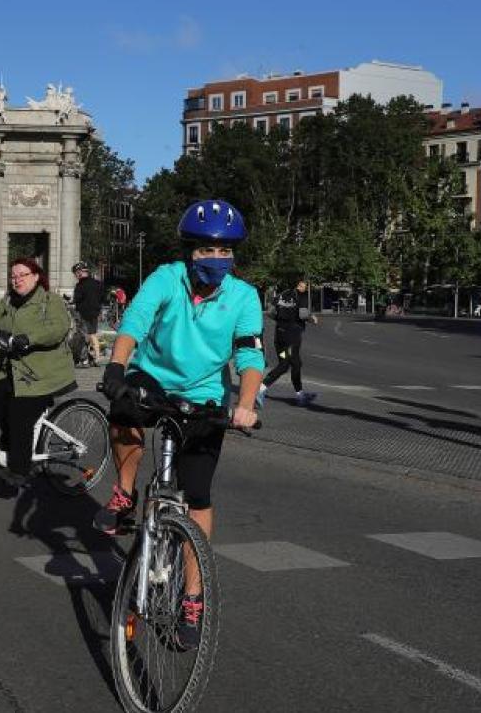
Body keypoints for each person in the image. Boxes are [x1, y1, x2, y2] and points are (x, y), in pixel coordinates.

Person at [96, 199, 263, 650]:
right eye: (206, 251)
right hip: (153, 378)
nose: (216, 260)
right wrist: (117, 365)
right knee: (124, 411)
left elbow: (249, 353)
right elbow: (136, 319)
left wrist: (246, 404)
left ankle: (193, 595)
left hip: (205, 395)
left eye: (224, 251)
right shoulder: (167, 278)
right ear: (190, 251)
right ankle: (125, 490)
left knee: (197, 496)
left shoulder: (244, 296)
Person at [0, 257, 76, 492]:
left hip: (44, 372)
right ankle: (14, 438)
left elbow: (58, 327)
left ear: (35, 276)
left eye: (22, 274)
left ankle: (20, 469)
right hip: (16, 368)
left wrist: (28, 339)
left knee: (20, 410)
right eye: (13, 275)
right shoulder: (10, 301)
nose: (17, 279)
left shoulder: (50, 300)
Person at [259, 278, 319, 406]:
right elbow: (303, 315)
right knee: (295, 363)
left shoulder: (282, 294)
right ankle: (261, 388)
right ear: (302, 286)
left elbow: (270, 312)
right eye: (304, 285)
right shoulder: (301, 296)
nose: (304, 287)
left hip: (279, 336)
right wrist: (312, 318)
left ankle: (300, 394)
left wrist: (281, 320)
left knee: (285, 363)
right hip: (292, 338)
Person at [71, 261, 104, 367]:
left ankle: (84, 360)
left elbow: (77, 299)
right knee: (93, 335)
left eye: (76, 273)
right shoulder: (97, 283)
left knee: (82, 336)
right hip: (95, 313)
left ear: (80, 272)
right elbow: (102, 297)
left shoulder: (80, 285)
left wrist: (71, 300)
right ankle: (97, 358)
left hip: (83, 314)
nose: (76, 276)